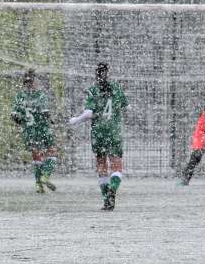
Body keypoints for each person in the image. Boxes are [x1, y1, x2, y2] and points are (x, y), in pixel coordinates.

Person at [68, 63, 129, 210]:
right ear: (108, 74)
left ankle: (106, 199)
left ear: (96, 75)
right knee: (117, 165)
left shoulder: (93, 90)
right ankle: (112, 191)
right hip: (114, 132)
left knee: (101, 165)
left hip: (99, 132)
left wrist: (76, 120)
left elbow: (89, 113)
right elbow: (126, 107)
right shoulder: (117, 89)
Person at [11, 69, 57, 193]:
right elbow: (45, 112)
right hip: (42, 129)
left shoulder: (20, 96)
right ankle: (45, 176)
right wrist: (51, 120)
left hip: (29, 131)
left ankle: (38, 184)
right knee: (52, 152)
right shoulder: (40, 95)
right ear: (35, 81)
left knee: (37, 156)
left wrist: (23, 122)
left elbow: (14, 116)